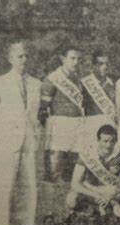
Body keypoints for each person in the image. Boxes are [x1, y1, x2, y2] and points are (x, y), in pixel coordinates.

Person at [0, 40, 42, 225]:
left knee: (28, 182)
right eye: (20, 56)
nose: (24, 59)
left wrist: (36, 133)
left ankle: (25, 223)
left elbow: (35, 114)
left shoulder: (36, 83)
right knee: (3, 182)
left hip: (28, 139)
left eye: (26, 56)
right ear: (10, 59)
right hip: (5, 140)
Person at [66, 125, 120, 218]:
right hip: (93, 190)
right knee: (71, 199)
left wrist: (112, 195)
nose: (109, 145)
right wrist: (98, 196)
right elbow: (75, 183)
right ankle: (93, 211)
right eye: (105, 141)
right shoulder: (87, 153)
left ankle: (118, 213)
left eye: (112, 141)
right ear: (98, 140)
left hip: (114, 190)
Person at [39, 45, 84, 183]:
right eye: (72, 58)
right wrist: (50, 127)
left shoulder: (78, 79)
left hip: (76, 123)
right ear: (63, 59)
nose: (76, 62)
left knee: (73, 163)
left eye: (78, 59)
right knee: (55, 164)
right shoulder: (52, 79)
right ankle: (52, 189)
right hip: (59, 123)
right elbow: (42, 109)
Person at [81, 49, 116, 150]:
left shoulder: (114, 83)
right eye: (101, 64)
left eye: (107, 64)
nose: (105, 67)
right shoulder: (84, 84)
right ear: (93, 66)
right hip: (92, 125)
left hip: (110, 124)